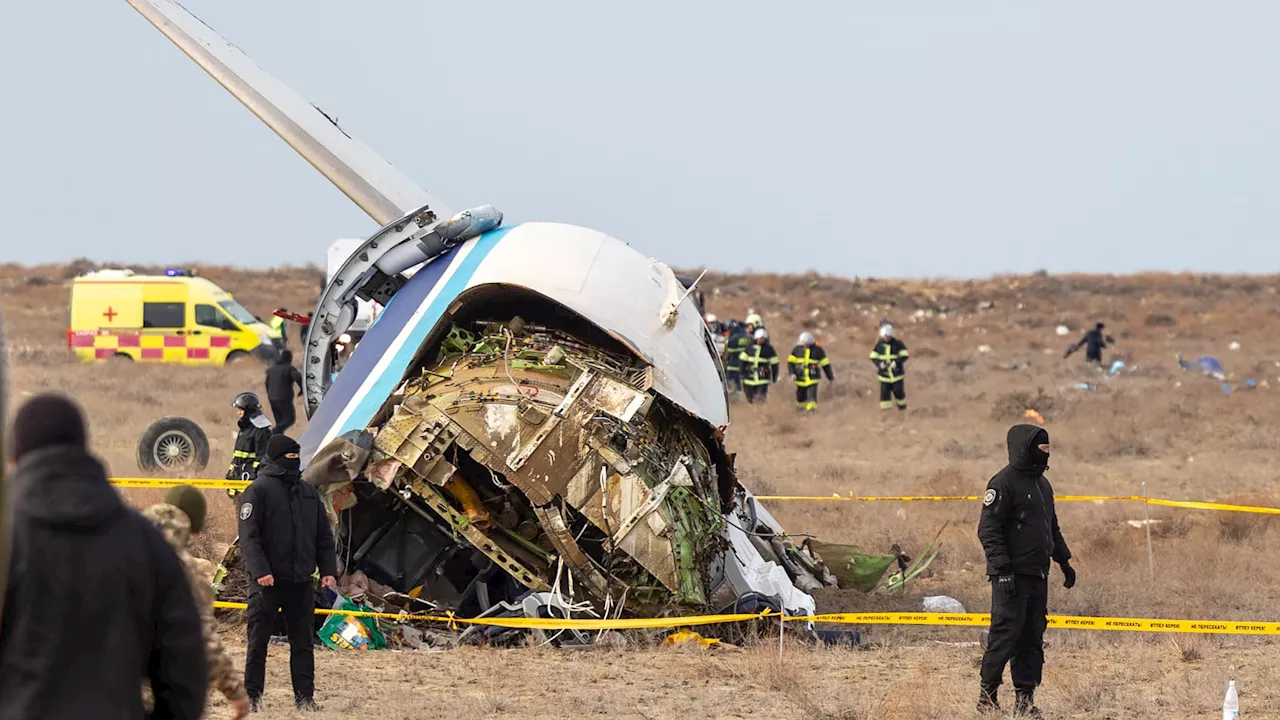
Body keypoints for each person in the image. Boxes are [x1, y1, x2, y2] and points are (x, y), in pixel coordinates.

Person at [0, 394, 207, 720]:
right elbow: (185, 669)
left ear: (14, 458)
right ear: (83, 447)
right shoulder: (145, 542)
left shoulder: (7, 540)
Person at [976, 424, 1076, 717]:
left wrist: (1063, 561)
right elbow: (988, 529)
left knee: (1032, 637)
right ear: (1025, 448)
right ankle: (987, 697)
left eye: (1048, 449)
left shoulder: (1043, 485)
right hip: (1010, 577)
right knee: (1005, 635)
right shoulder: (1003, 483)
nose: (1046, 454)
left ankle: (1025, 700)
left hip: (1037, 574)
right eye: (1041, 449)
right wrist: (1002, 567)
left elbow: (1051, 528)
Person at [238, 434, 338, 712]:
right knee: (258, 643)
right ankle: (253, 697)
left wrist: (328, 570)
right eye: (288, 458)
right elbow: (249, 538)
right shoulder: (258, 491)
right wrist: (261, 572)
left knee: (303, 643)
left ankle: (305, 698)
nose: (293, 463)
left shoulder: (308, 493)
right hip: (266, 583)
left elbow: (323, 537)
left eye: (296, 457)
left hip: (301, 583)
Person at [144, 486, 251, 720]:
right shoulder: (186, 573)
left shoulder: (114, 553)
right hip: (165, 693)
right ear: (191, 528)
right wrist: (234, 691)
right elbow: (205, 639)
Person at [227, 393, 273, 500]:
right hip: (239, 480)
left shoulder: (261, 431)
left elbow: (262, 458)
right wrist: (230, 474)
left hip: (251, 482)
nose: (238, 413)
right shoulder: (244, 430)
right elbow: (237, 457)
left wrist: (254, 476)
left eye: (241, 410)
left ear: (249, 410)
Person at [787, 332, 834, 412]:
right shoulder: (796, 350)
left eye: (805, 344)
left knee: (812, 397)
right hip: (800, 379)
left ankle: (811, 412)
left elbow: (825, 365)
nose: (804, 345)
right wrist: (792, 373)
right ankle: (800, 411)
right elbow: (790, 363)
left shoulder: (818, 351)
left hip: (813, 378)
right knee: (800, 397)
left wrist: (830, 377)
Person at [869, 323, 908, 411]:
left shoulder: (898, 344)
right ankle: (887, 413)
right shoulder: (878, 346)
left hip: (897, 375)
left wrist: (896, 362)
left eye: (889, 336)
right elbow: (873, 356)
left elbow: (905, 355)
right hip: (884, 377)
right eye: (886, 336)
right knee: (884, 395)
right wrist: (880, 364)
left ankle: (902, 409)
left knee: (899, 393)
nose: (887, 338)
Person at [265, 350, 304, 434]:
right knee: (290, 419)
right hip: (284, 398)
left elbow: (267, 384)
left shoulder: (271, 370)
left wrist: (269, 394)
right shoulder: (289, 368)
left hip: (272, 398)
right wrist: (302, 388)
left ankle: (277, 440)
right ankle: (273, 432)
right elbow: (297, 377)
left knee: (280, 422)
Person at [739, 328, 779, 403]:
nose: (761, 340)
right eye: (760, 339)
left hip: (762, 379)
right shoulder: (749, 348)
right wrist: (742, 373)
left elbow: (775, 364)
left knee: (760, 399)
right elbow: (742, 361)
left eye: (763, 339)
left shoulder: (769, 350)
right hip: (749, 379)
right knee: (749, 398)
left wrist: (775, 376)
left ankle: (760, 411)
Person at [723, 320, 750, 397]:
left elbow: (726, 354)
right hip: (742, 366)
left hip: (731, 366)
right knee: (739, 386)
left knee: (731, 387)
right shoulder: (746, 338)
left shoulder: (732, 340)